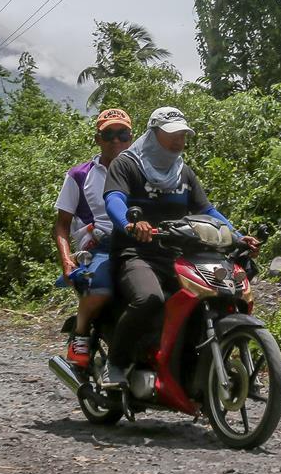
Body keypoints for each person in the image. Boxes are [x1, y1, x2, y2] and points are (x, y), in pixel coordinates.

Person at [101, 106, 260, 386]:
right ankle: (116, 363)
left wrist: (236, 235)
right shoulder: (126, 164)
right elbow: (114, 199)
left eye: (183, 134)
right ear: (153, 134)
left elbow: (207, 210)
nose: (179, 140)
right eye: (172, 134)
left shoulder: (183, 173)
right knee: (149, 300)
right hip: (136, 253)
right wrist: (130, 223)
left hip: (178, 255)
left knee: (211, 298)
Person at [54, 108, 134, 369]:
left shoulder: (143, 171)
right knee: (100, 288)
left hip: (140, 242)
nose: (116, 140)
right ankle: (80, 334)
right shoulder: (80, 175)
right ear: (98, 138)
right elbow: (61, 224)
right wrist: (67, 262)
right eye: (109, 134)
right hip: (100, 245)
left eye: (122, 134)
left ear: (131, 138)